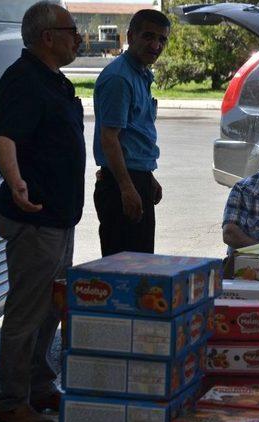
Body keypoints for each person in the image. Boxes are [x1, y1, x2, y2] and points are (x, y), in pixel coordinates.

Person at [0, 2, 85, 422]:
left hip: (59, 218)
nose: (78, 37)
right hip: (34, 220)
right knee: (26, 314)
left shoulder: (53, 80)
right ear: (47, 37)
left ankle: (40, 387)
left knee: (51, 308)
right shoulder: (24, 80)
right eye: (72, 30)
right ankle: (12, 404)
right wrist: (15, 182)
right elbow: (7, 138)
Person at [93, 9, 170, 256]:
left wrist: (147, 177)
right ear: (131, 35)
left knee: (141, 265)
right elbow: (109, 138)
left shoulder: (141, 74)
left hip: (137, 179)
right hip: (120, 186)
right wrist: (127, 188)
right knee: (124, 272)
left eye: (162, 39)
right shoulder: (119, 78)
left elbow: (134, 136)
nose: (156, 45)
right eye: (148, 36)